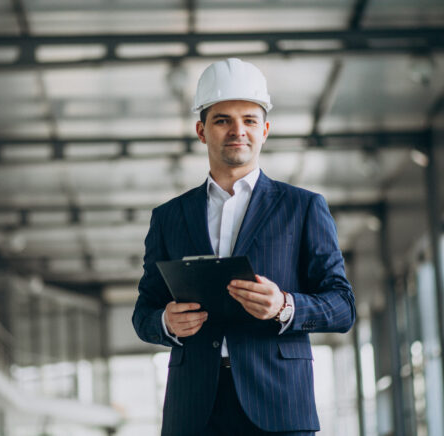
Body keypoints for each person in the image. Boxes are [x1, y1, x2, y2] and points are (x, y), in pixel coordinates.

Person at [132, 58, 355, 436]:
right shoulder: (169, 217)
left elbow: (343, 306)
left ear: (265, 130)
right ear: (201, 131)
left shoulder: (302, 208)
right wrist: (165, 322)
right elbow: (143, 313)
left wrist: (285, 306)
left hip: (279, 404)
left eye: (249, 120)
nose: (238, 131)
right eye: (223, 120)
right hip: (194, 411)